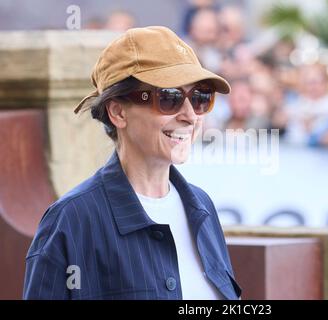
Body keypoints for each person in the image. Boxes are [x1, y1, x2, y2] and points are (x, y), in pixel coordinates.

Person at [23, 26, 241, 300]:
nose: (190, 115)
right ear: (118, 112)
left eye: (200, 98)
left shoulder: (202, 206)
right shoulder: (71, 220)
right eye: (169, 98)